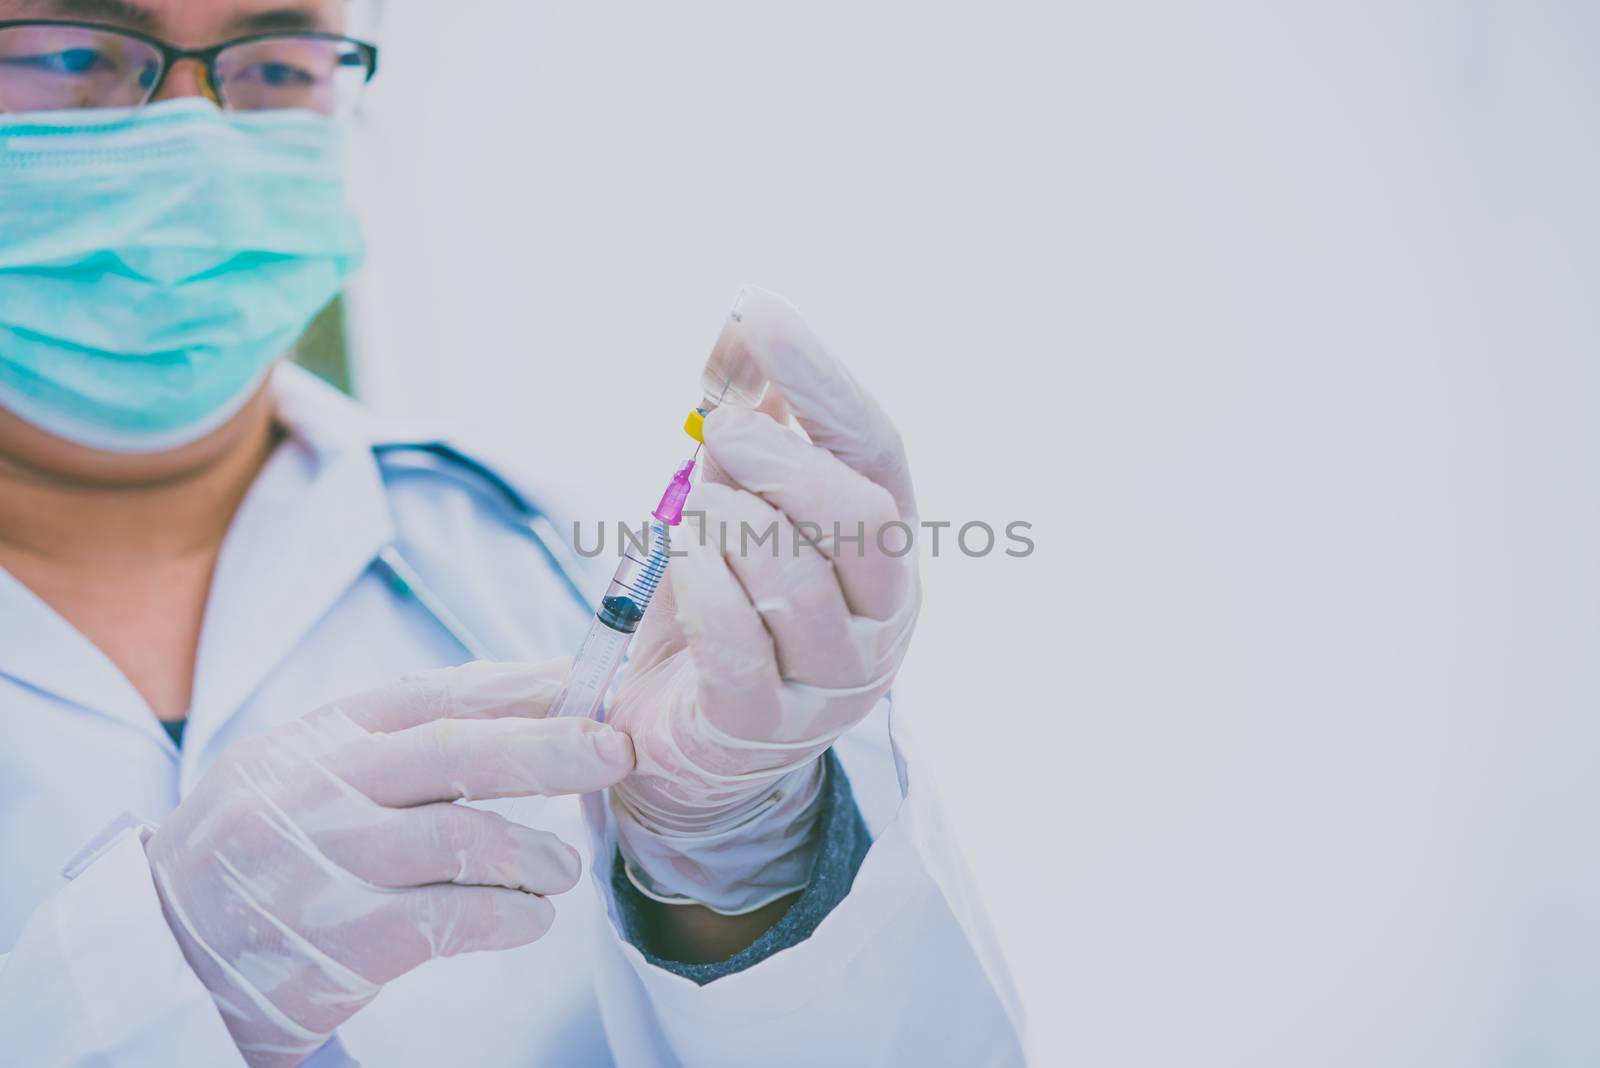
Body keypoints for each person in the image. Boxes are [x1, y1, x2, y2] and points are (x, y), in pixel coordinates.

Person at [0, 1, 1023, 1064]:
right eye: (72, 50)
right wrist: (130, 988)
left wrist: (746, 874)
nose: (199, 137)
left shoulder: (545, 555)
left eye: (277, 62)